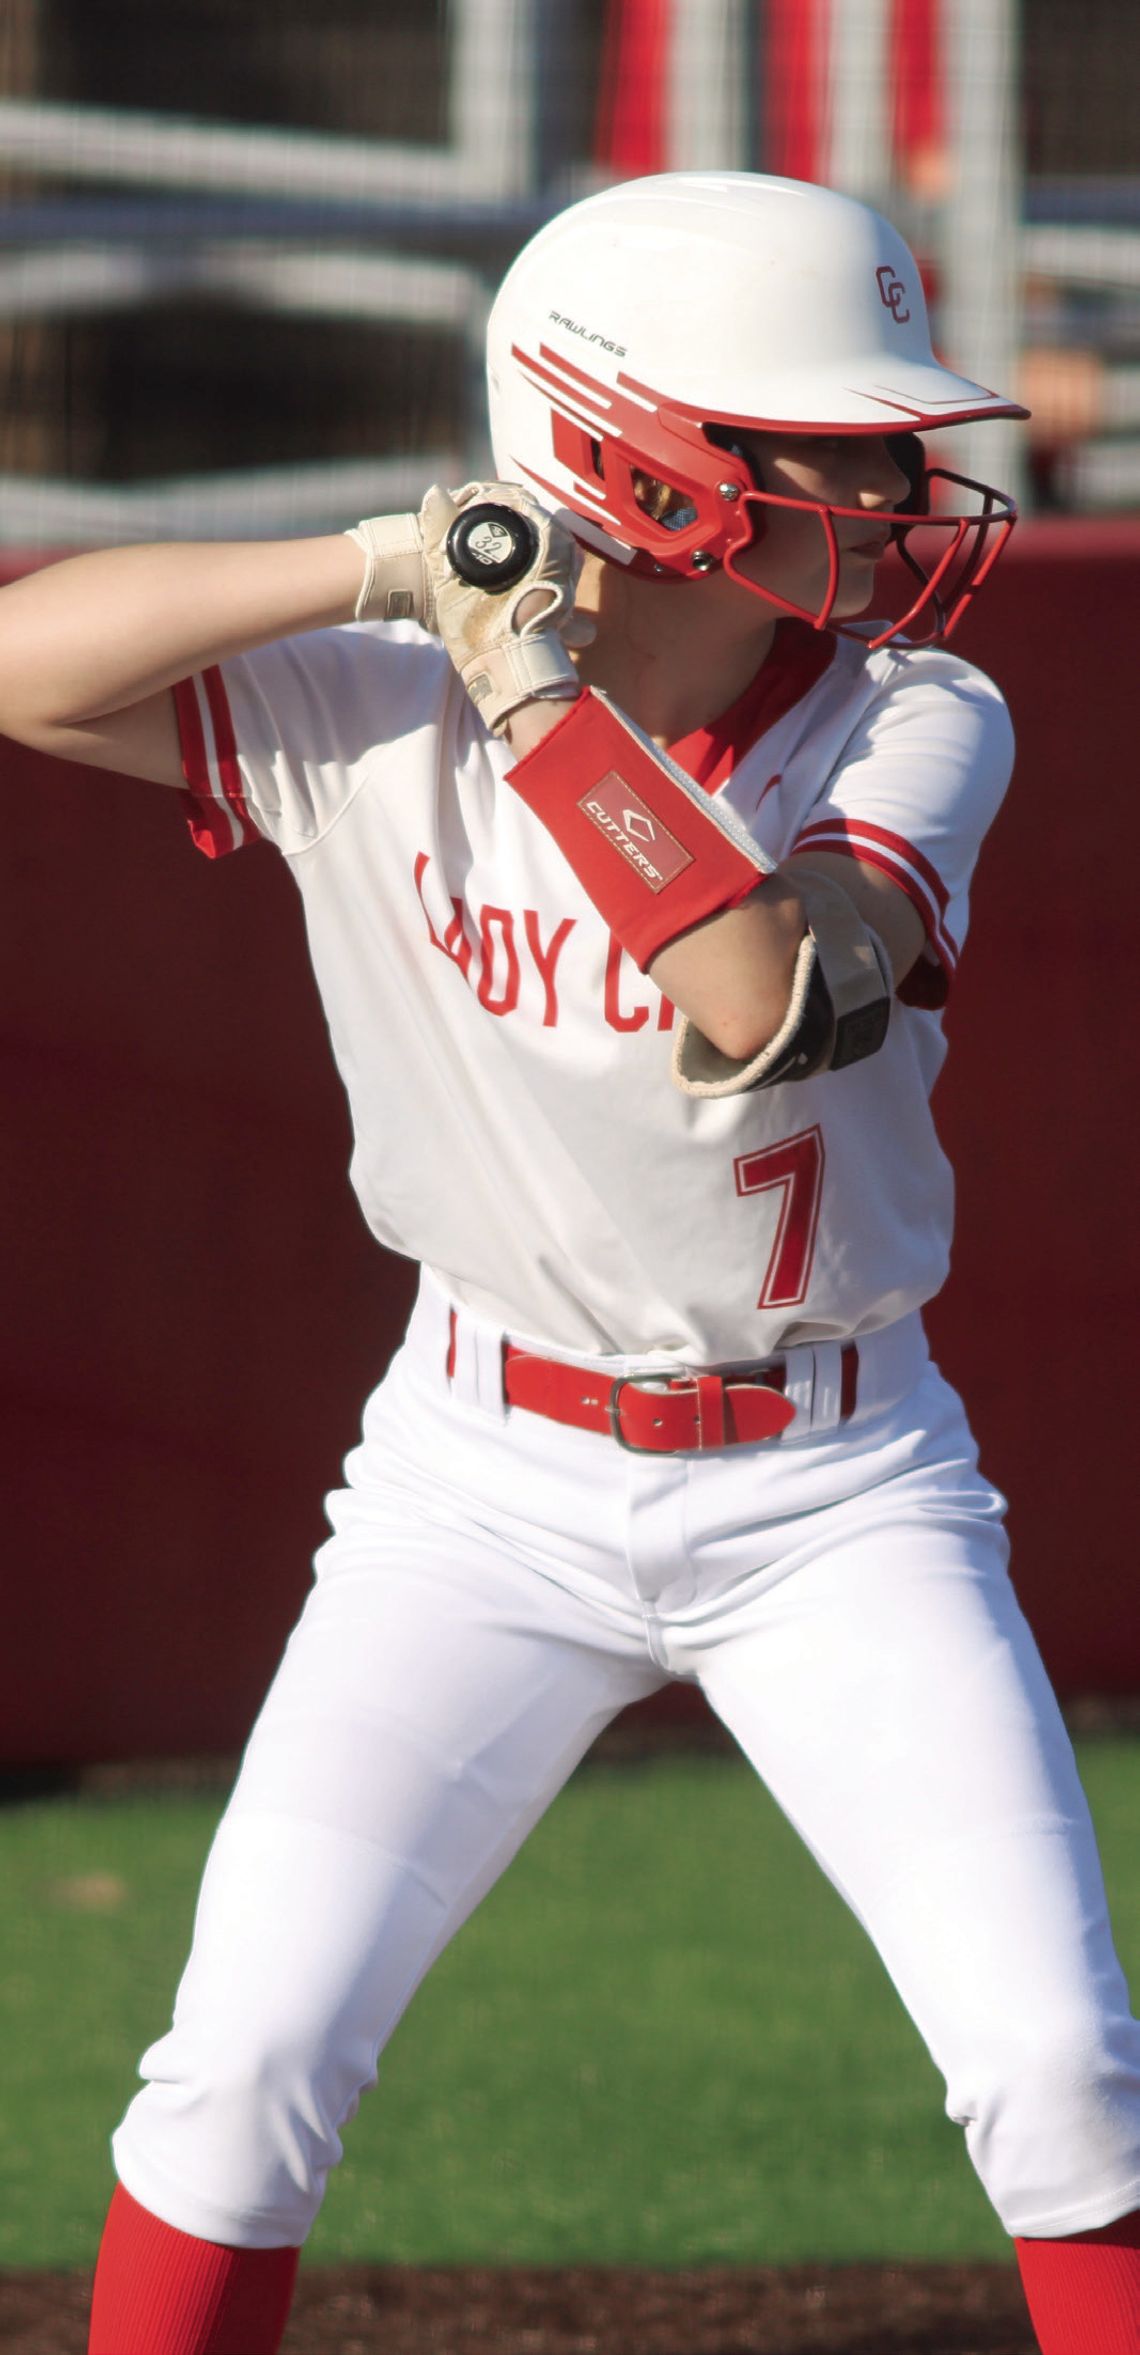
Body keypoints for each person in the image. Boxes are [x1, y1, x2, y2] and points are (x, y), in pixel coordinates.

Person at [1, 172, 1137, 2355]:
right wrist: (386, 568)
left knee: (1064, 2075)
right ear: (628, 460)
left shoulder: (918, 717)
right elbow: (29, 665)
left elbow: (762, 992)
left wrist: (537, 697)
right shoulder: (369, 698)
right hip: (471, 1477)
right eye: (827, 441)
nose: (895, 483)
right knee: (234, 2078)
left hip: (835, 1484)